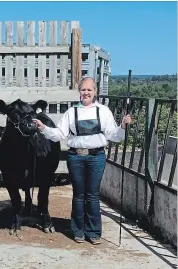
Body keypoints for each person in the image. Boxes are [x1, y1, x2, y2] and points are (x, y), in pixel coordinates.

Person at [32, 77, 132, 245]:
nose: (86, 93)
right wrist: (44, 128)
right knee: (79, 195)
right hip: (76, 157)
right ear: (80, 92)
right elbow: (59, 134)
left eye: (89, 90)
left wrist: (122, 126)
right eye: (83, 90)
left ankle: (93, 232)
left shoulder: (103, 111)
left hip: (96, 157)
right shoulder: (71, 112)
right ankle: (78, 231)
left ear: (95, 92)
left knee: (92, 195)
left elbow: (114, 136)